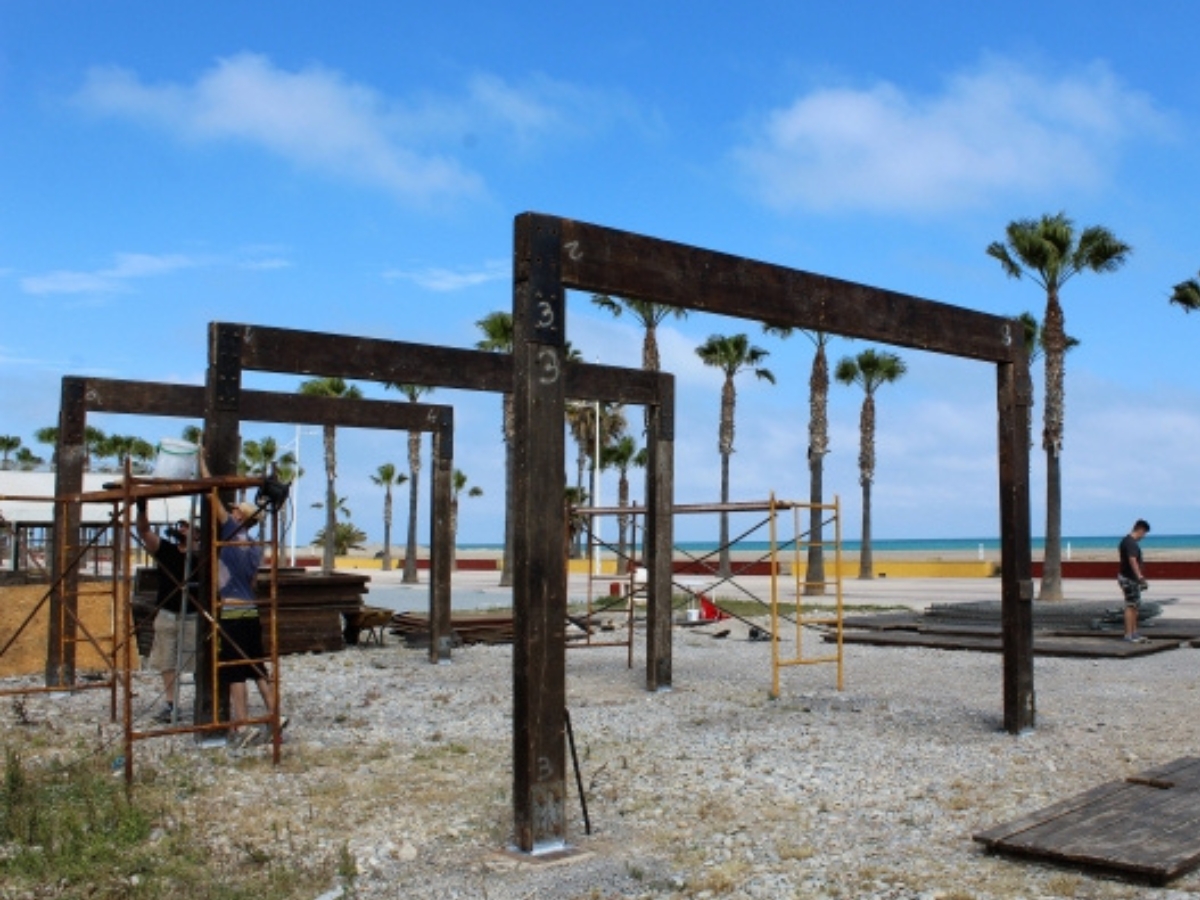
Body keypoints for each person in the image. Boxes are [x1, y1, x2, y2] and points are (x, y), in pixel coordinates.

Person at [134, 502, 198, 724]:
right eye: (181, 525)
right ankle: (171, 704)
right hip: (168, 612)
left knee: (196, 659)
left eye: (187, 527)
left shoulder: (204, 555)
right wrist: (142, 508)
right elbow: (144, 531)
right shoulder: (166, 549)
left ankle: (202, 701)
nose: (182, 529)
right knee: (167, 659)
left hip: (193, 614)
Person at [1118, 519, 1151, 643]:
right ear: (1140, 530)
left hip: (1130, 578)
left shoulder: (1127, 541)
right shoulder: (1130, 543)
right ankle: (1128, 634)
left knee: (1135, 605)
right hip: (1128, 578)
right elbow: (1132, 560)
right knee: (1131, 605)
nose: (1144, 537)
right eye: (1144, 534)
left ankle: (1134, 633)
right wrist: (1140, 577)